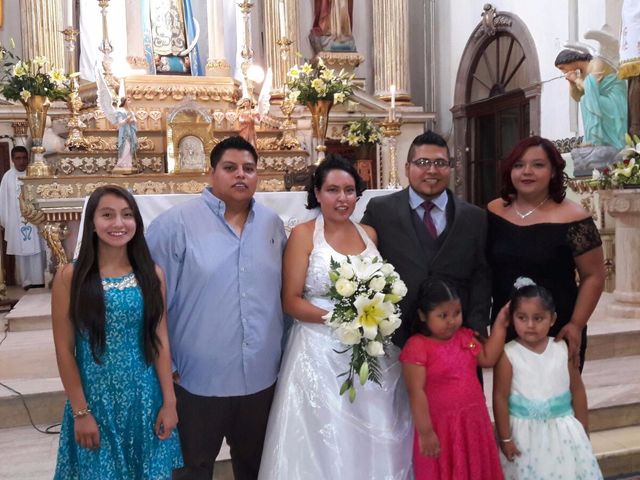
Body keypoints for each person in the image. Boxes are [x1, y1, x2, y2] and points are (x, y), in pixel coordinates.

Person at [258, 155, 413, 480]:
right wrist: (343, 319)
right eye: (332, 190)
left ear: (358, 194)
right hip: (317, 351)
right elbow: (291, 301)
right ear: (317, 193)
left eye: (349, 190)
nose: (342, 199)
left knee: (374, 425)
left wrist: (373, 315)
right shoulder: (303, 234)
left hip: (369, 348)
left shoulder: (370, 233)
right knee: (324, 436)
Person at [146, 136, 287, 480]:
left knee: (255, 468)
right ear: (212, 173)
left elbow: (282, 295)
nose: (241, 175)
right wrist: (167, 366)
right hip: (196, 380)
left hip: (259, 378)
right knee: (192, 470)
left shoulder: (272, 225)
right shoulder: (174, 226)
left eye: (249, 169)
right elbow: (151, 306)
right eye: (230, 168)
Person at [52, 185, 182, 479]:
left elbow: (159, 339)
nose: (118, 224)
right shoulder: (70, 277)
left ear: (137, 221)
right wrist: (81, 412)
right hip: (96, 400)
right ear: (93, 224)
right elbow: (64, 349)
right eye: (107, 215)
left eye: (127, 215)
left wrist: (169, 402)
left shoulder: (151, 274)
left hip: (144, 399)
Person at [361, 130, 491, 347]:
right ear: (407, 167)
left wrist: (475, 330)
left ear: (450, 167)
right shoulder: (380, 211)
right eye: (422, 162)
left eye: (440, 163)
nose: (432, 170)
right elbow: (363, 263)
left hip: (456, 336)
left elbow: (482, 277)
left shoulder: (474, 216)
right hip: (395, 336)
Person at [487, 136, 605, 370]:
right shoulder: (494, 211)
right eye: (519, 165)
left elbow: (594, 276)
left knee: (559, 401)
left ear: (553, 171)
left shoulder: (574, 218)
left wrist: (576, 324)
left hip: (557, 327)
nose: (526, 172)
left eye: (538, 165)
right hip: (507, 324)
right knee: (510, 398)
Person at [493, 278, 603, 479]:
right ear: (512, 318)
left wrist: (583, 428)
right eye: (522, 318)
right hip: (524, 436)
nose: (530, 325)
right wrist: (505, 438)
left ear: (552, 319)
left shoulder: (562, 349)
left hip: (563, 435)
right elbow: (500, 397)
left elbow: (577, 390)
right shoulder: (508, 354)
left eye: (538, 318)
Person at [400, 277, 508, 480]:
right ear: (423, 315)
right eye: (443, 315)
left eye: (456, 313)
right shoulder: (417, 346)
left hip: (473, 423)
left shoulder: (465, 337)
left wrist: (500, 324)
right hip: (441, 428)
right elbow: (416, 392)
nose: (451, 321)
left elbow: (488, 358)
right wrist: (426, 432)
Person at [555, 47, 627, 150]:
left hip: (615, 100)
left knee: (586, 99)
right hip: (602, 100)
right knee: (584, 99)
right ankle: (593, 139)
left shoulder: (597, 63)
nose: (563, 71)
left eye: (562, 67)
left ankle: (594, 140)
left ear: (569, 60)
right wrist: (572, 83)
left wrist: (576, 79)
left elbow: (591, 91)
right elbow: (577, 98)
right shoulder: (581, 73)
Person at [0, 146, 45, 288]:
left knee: (37, 250)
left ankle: (38, 281)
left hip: (34, 220)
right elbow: (3, 200)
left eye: (24, 158)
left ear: (28, 158)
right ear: (12, 160)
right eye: (18, 158)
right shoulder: (7, 177)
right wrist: (6, 222)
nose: (21, 161)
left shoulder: (35, 173)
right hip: (15, 221)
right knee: (20, 252)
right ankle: (25, 282)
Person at [113, 98, 138, 174]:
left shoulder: (130, 111)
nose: (130, 102)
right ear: (124, 102)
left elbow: (135, 121)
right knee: (125, 147)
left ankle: (128, 164)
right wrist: (127, 119)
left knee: (130, 147)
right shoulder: (120, 111)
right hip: (124, 132)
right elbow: (120, 123)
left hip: (131, 131)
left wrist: (132, 120)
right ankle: (121, 163)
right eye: (128, 100)